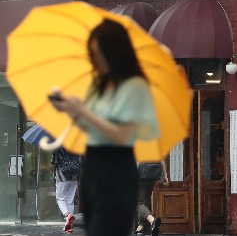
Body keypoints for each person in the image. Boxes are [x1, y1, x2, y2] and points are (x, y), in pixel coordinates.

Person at [50, 19, 159, 236]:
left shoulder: (132, 86)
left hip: (117, 174)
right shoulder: (99, 86)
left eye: (97, 51)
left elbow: (122, 133)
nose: (93, 58)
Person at [133, 160, 169, 236]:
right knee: (146, 199)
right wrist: (165, 175)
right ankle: (141, 226)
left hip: (141, 173)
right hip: (153, 173)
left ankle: (152, 220)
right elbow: (162, 159)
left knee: (136, 202)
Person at [51, 147, 81, 233]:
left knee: (60, 198)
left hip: (62, 177)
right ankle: (69, 225)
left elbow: (54, 163)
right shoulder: (75, 145)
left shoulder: (58, 146)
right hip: (75, 176)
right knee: (70, 200)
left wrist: (52, 169)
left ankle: (67, 215)